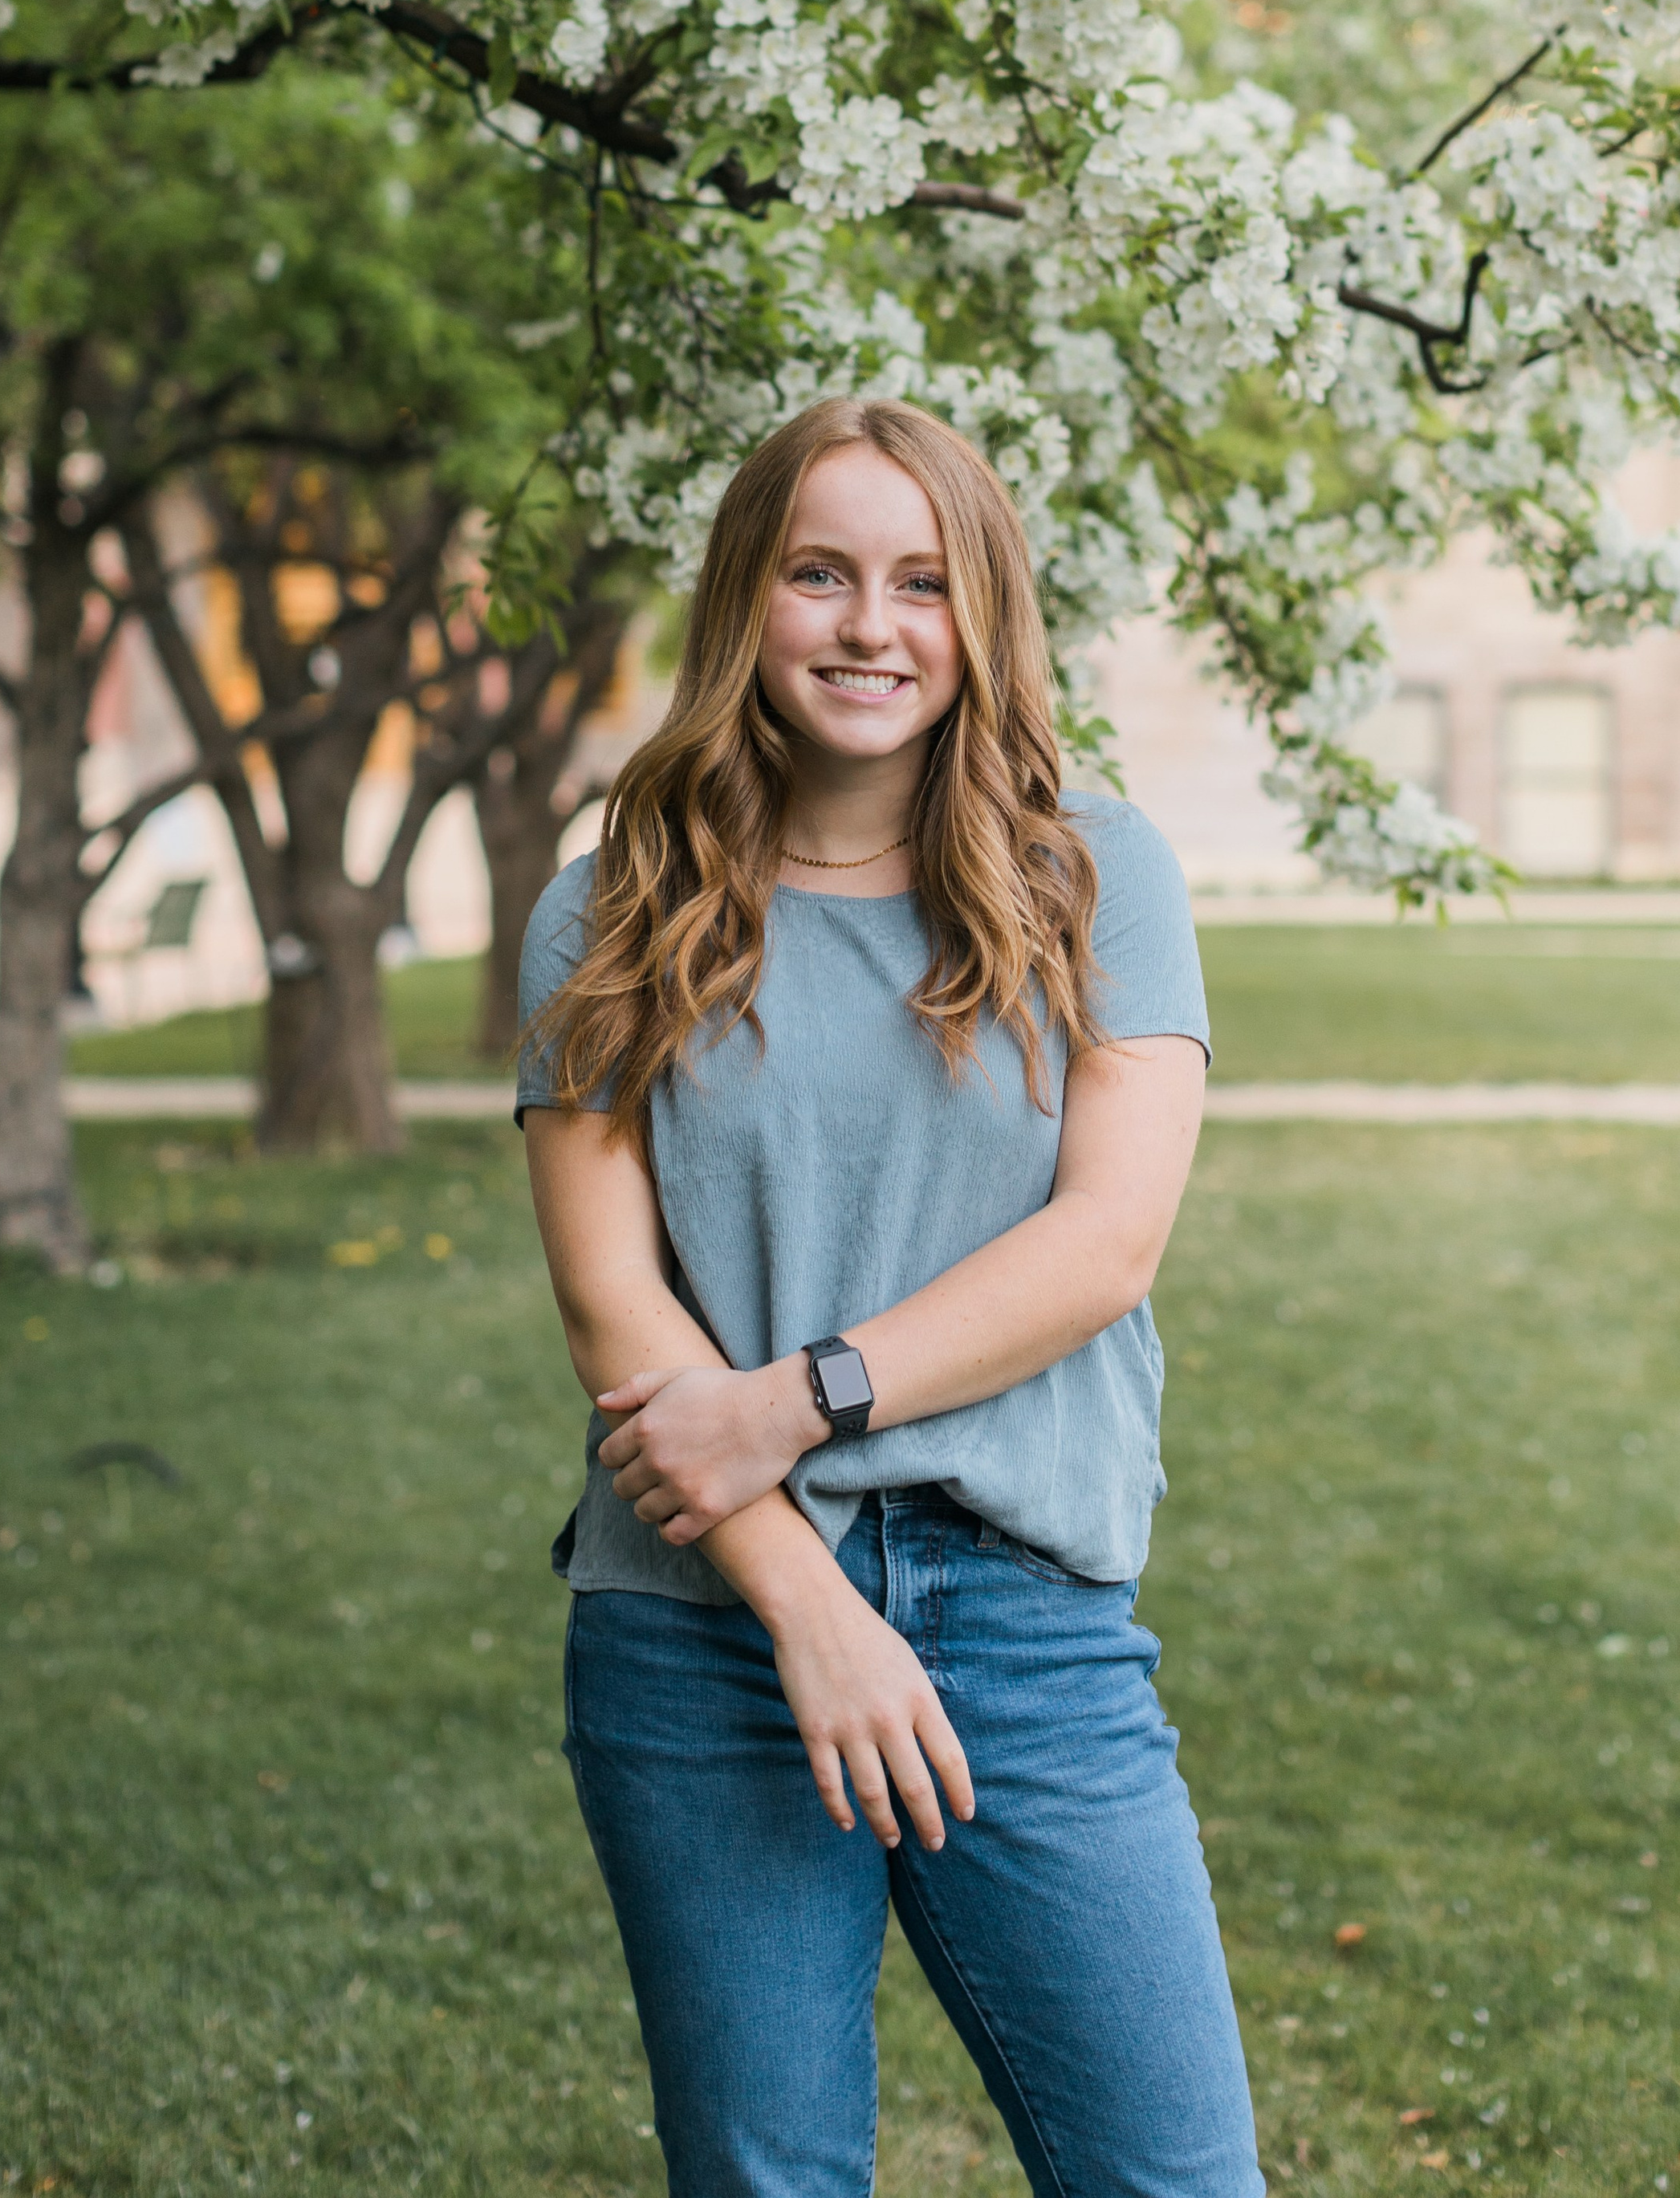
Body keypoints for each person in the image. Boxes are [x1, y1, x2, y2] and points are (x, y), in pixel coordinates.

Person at [517, 395, 1263, 2198]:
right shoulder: (605, 908)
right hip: (703, 1625)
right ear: (743, 602)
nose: (870, 626)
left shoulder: (1094, 871)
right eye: (820, 574)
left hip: (1018, 1613)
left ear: (979, 608)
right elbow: (616, 1304)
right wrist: (806, 1608)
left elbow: (1103, 1244)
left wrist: (788, 1400)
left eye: (921, 581)